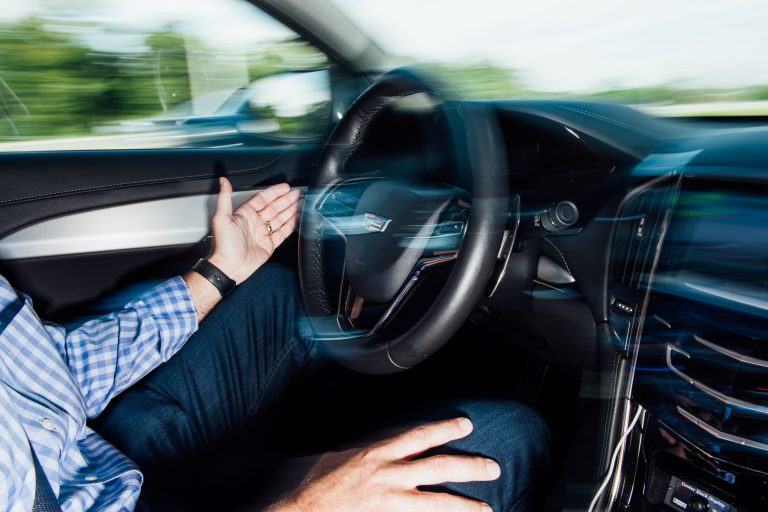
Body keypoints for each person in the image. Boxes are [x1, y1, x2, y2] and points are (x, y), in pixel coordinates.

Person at [0, 178, 551, 512]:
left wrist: (218, 273)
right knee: (502, 438)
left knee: (274, 292)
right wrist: (306, 503)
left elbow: (50, 371)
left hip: (96, 468)